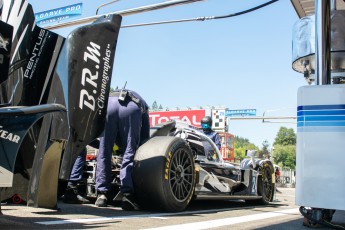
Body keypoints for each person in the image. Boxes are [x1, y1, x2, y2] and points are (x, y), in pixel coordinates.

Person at [95, 89, 150, 210]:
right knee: (130, 151)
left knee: (104, 150)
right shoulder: (144, 106)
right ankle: (127, 196)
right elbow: (145, 139)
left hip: (108, 104)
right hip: (131, 107)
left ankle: (101, 195)